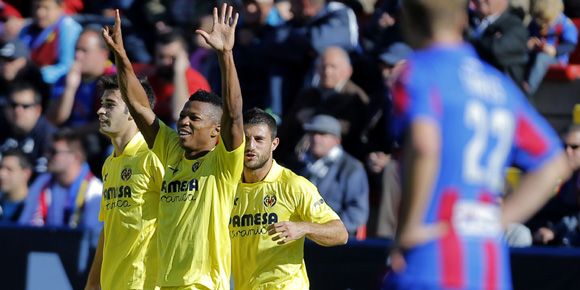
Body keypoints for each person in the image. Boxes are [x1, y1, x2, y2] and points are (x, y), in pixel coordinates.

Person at [383, 0, 570, 289]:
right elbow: (553, 163)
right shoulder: (498, 85)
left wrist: (408, 230)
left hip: (430, 261)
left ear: (407, 20)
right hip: (487, 266)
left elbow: (424, 146)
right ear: (461, 20)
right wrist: (498, 221)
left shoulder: (418, 72)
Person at [101, 4, 245, 289]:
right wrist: (121, 56)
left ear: (217, 129)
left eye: (194, 118)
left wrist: (225, 55)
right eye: (182, 116)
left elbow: (234, 112)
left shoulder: (224, 163)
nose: (184, 122)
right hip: (165, 283)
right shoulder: (171, 151)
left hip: (202, 285)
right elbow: (139, 106)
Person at [230, 108, 348, 290]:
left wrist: (303, 228)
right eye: (246, 138)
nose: (250, 146)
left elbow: (341, 234)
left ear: (274, 144)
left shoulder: (293, 184)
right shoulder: (228, 186)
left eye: (259, 139)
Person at [84, 75, 164, 290]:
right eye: (102, 104)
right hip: (113, 283)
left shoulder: (154, 156)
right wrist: (92, 282)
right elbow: (108, 228)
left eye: (110, 105)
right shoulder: (109, 164)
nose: (100, 111)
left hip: (146, 282)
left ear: (134, 111)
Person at [294, 114, 369, 235]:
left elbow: (356, 214)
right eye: (313, 133)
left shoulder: (352, 169)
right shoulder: (300, 166)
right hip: (300, 237)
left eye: (323, 134)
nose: (316, 139)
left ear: (337, 140)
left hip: (334, 242)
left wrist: (324, 230)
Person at [18, 129, 103, 229]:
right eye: (47, 151)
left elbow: (92, 237)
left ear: (75, 157)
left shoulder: (95, 190)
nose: (47, 156)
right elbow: (24, 228)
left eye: (53, 152)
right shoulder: (42, 182)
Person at [147, 31, 211, 127]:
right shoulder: (150, 80)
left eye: (172, 57)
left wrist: (179, 72)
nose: (165, 62)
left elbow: (178, 114)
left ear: (184, 57)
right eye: (161, 57)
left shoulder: (196, 81)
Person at [468, 0, 528, 94]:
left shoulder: (515, 26)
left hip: (507, 100)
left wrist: (464, 43)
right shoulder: (467, 22)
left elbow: (496, 50)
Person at [18, 0, 82, 84]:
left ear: (60, 8)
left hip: (52, 87)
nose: (39, 13)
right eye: (37, 7)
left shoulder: (69, 29)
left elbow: (67, 66)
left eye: (46, 8)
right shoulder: (27, 28)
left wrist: (39, 74)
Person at [0, 82, 56, 176]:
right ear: (6, 108)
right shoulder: (2, 127)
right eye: (13, 105)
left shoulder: (51, 138)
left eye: (25, 106)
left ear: (38, 110)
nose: (18, 111)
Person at [525, 0, 578, 95]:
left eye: (546, 22)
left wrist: (555, 50)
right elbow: (525, 35)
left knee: (541, 58)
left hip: (556, 59)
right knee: (521, 57)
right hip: (534, 53)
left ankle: (528, 89)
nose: (543, 26)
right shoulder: (535, 23)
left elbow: (570, 45)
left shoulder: (565, 23)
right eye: (540, 23)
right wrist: (528, 44)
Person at [0, 148, 33, 222]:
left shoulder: (38, 209)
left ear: (26, 174)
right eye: (1, 168)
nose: (2, 174)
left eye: (9, 169)